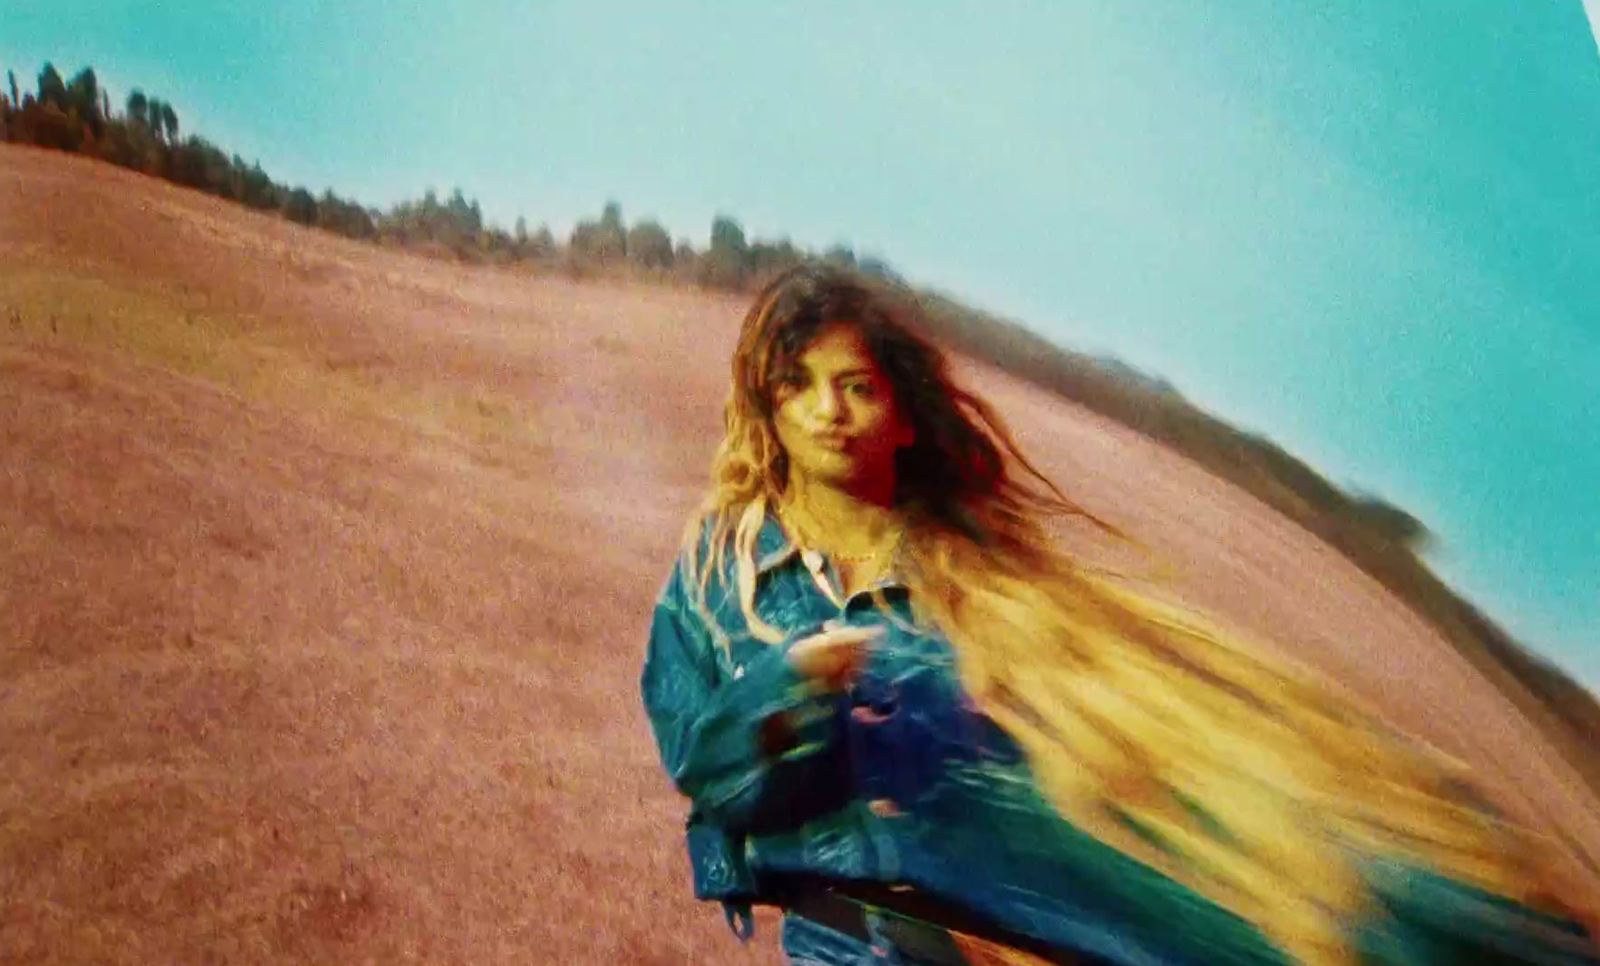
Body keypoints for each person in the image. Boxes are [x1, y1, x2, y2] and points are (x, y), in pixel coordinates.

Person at [640, 263, 1600, 966]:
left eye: (856, 385)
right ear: (764, 409)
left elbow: (1112, 761)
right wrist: (808, 680)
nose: (827, 412)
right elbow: (706, 765)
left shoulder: (990, 583)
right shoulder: (721, 577)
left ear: (900, 410)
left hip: (1015, 921)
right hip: (849, 931)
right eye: (796, 387)